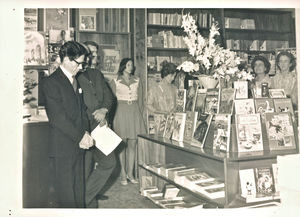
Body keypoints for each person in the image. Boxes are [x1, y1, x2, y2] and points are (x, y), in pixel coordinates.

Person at [42, 41, 94, 208]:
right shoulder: (51, 82)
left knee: (79, 191)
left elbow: (82, 111)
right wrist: (80, 136)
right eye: (79, 63)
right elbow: (58, 118)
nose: (80, 68)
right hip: (63, 147)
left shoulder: (75, 81)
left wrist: (86, 133)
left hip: (79, 145)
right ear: (66, 59)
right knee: (66, 196)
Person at [77, 41, 116, 208]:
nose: (91, 56)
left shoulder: (96, 74)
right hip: (83, 130)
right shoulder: (74, 75)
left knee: (110, 163)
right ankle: (89, 205)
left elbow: (110, 97)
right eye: (88, 52)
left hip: (100, 128)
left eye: (93, 53)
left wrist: (104, 110)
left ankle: (83, 200)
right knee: (84, 172)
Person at [110, 58, 146, 185]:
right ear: (123, 66)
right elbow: (111, 101)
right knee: (122, 145)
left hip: (134, 113)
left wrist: (138, 114)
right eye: (128, 65)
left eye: (132, 65)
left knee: (133, 144)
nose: (131, 67)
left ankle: (130, 174)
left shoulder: (137, 80)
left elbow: (141, 100)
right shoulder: (115, 81)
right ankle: (123, 174)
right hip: (120, 113)